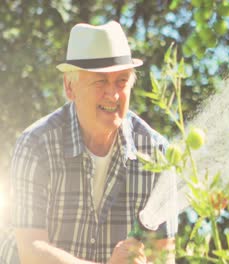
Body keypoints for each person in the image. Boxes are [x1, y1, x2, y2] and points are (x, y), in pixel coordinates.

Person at [0, 21, 177, 263]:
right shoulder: (37, 146)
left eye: (121, 81)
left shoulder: (156, 154)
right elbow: (32, 251)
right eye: (100, 81)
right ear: (70, 86)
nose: (113, 95)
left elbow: (163, 255)